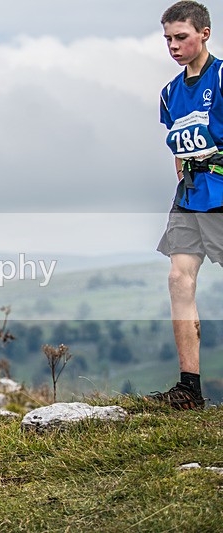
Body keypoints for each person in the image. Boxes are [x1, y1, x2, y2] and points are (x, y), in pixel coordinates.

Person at [151, 1, 223, 410]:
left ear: (205, 33)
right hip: (189, 196)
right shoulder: (169, 93)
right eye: (168, 39)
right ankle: (189, 388)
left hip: (222, 192)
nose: (174, 46)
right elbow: (179, 144)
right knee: (179, 279)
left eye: (182, 37)